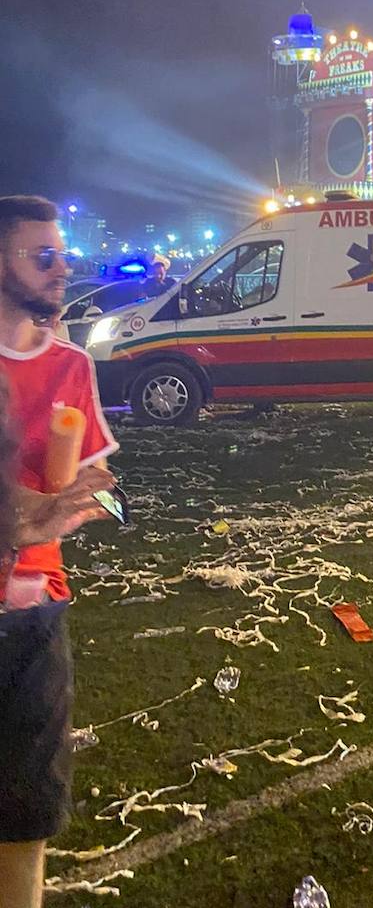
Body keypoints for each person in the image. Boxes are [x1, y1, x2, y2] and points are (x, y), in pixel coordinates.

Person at [0, 196, 119, 908]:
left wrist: (73, 509)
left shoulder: (72, 365)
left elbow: (98, 487)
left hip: (35, 614)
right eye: (41, 256)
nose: (61, 269)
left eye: (62, 255)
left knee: (28, 813)